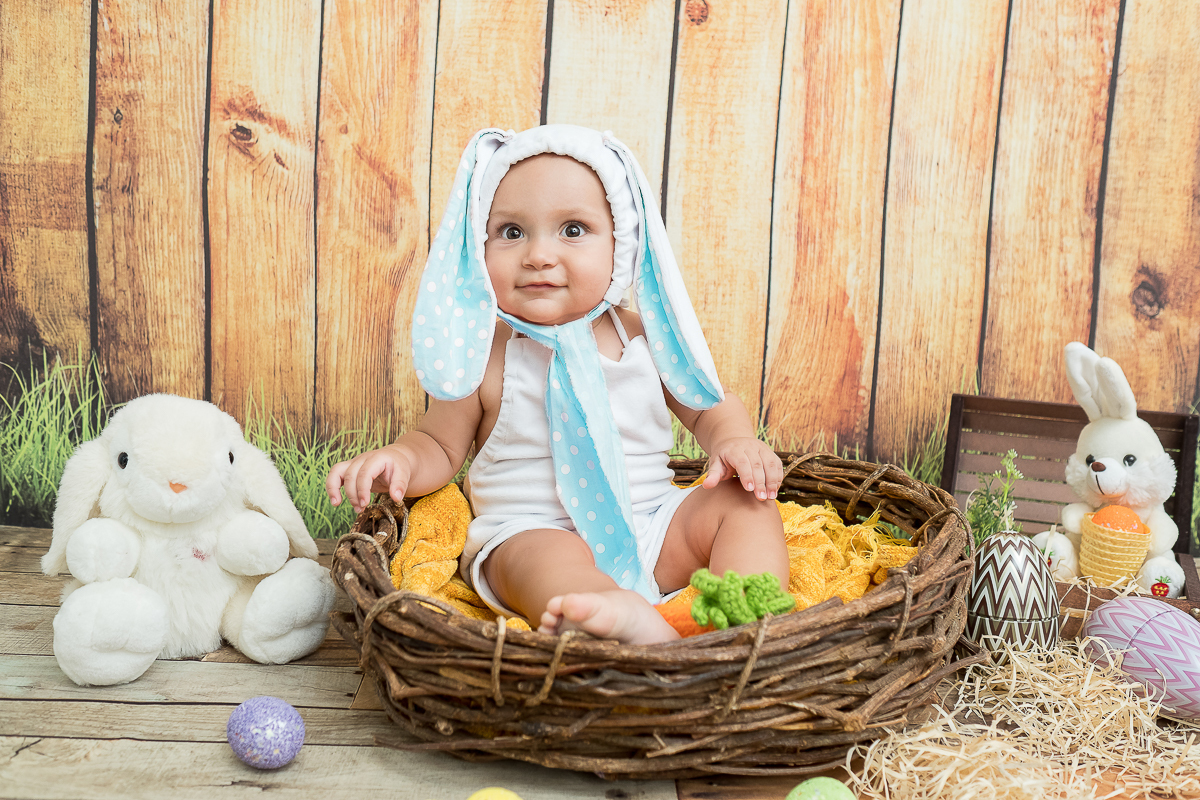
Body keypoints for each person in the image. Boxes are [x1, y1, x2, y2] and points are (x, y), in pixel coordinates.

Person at [326, 125, 787, 644]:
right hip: (530, 529)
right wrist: (400, 462)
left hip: (655, 525)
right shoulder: (485, 353)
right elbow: (438, 444)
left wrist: (734, 441)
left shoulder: (644, 336)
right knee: (546, 558)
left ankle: (742, 614)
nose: (538, 255)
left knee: (746, 504)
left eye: (572, 229)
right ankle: (614, 617)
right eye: (511, 232)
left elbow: (708, 406)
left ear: (622, 242)